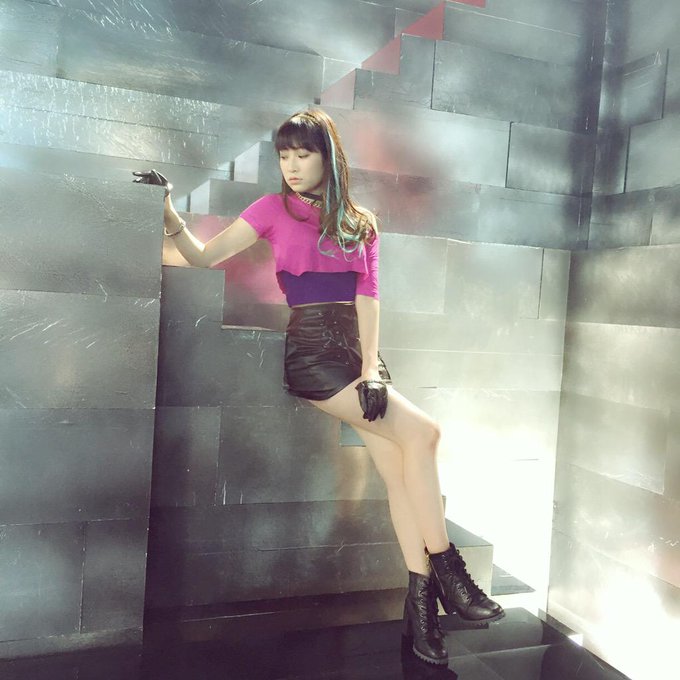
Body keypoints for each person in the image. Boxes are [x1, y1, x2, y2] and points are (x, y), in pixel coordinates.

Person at [133, 108, 504, 666]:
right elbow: (203, 257)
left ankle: (421, 610)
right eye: (284, 155)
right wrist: (168, 213)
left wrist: (372, 367)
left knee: (400, 473)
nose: (292, 165)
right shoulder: (271, 209)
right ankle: (453, 577)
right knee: (424, 434)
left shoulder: (361, 222)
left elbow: (369, 298)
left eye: (302, 154)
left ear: (328, 157)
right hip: (313, 356)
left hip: (360, 359)